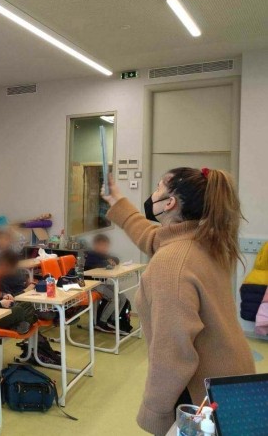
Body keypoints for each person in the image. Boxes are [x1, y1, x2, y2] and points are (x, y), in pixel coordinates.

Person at [102, 168, 255, 435]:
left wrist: (155, 414)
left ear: (169, 203)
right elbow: (153, 238)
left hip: (202, 395)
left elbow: (172, 356)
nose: (153, 194)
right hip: (232, 379)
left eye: (158, 188)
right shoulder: (204, 241)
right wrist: (118, 202)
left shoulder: (172, 263)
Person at [84, 234, 123, 333]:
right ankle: (102, 322)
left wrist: (112, 260)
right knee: (114, 298)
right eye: (103, 245)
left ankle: (112, 320)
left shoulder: (103, 255)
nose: (105, 248)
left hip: (102, 283)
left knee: (122, 297)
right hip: (92, 284)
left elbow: (116, 259)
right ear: (96, 246)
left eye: (106, 246)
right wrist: (108, 262)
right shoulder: (91, 255)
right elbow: (98, 264)